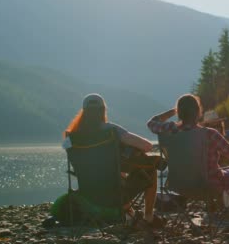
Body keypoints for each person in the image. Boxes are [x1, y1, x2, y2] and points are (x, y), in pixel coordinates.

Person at [147, 94, 229, 236]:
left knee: (225, 175)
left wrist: (173, 111)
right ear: (198, 112)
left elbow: (151, 123)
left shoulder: (170, 130)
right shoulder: (209, 134)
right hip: (208, 185)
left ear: (180, 112)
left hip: (179, 185)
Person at [64, 93, 162, 229]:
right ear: (103, 111)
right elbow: (147, 146)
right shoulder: (111, 131)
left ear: (84, 112)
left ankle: (130, 216)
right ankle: (148, 217)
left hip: (88, 197)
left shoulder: (72, 138)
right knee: (150, 169)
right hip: (115, 195)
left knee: (117, 172)